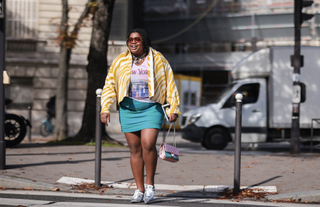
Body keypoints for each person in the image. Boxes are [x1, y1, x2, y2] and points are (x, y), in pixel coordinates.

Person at [100, 28, 180, 204]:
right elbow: (110, 83)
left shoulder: (158, 59)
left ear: (144, 41)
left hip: (151, 108)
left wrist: (173, 107)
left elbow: (170, 82)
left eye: (137, 39)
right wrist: (105, 108)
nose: (133, 42)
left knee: (148, 144)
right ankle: (139, 189)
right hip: (128, 109)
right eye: (130, 39)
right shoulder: (121, 60)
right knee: (135, 149)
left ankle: (150, 185)